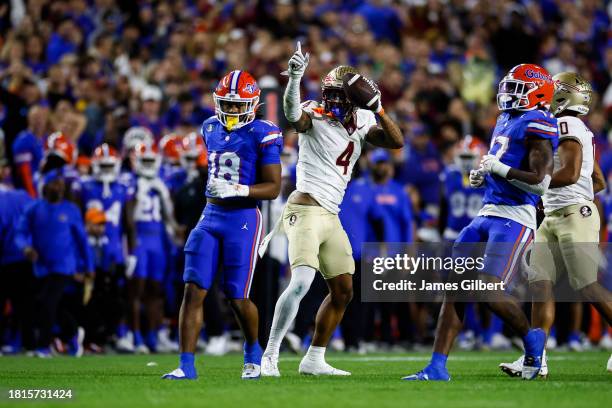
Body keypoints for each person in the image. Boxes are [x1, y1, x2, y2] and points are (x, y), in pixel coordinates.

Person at [404, 64, 557, 381]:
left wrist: (498, 169)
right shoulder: (505, 119)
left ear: (539, 91)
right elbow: (502, 164)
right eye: (509, 87)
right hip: (486, 212)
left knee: (487, 289)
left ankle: (532, 339)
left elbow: (540, 182)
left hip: (514, 216)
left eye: (518, 89)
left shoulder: (540, 121)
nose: (509, 94)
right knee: (455, 289)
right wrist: (485, 175)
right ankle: (437, 367)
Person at [260, 42, 403, 377]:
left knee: (343, 290)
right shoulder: (316, 114)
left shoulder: (365, 118)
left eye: (340, 96)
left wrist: (380, 108)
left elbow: (396, 142)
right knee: (300, 283)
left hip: (331, 215)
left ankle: (314, 358)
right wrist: (294, 79)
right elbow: (295, 115)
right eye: (330, 94)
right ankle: (270, 355)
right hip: (305, 211)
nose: (332, 101)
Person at [163, 70, 282, 380]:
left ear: (253, 104)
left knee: (237, 297)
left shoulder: (264, 133)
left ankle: (253, 350)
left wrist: (240, 189)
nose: (230, 110)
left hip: (243, 217)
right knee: (193, 288)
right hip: (211, 214)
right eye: (226, 104)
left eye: (236, 104)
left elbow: (273, 187)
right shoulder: (209, 127)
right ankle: (186, 365)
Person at [499, 72, 612, 376]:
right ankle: (536, 358)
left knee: (586, 285)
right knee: (540, 286)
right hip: (555, 214)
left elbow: (573, 173)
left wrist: (532, 184)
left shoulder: (566, 124)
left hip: (573, 215)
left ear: (562, 95)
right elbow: (597, 180)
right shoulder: (579, 127)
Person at [14, 169, 93, 357]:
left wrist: (89, 267)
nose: (59, 187)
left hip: (64, 265)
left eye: (61, 184)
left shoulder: (71, 210)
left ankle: (43, 346)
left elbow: (82, 240)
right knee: (50, 304)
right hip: (41, 265)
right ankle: (73, 333)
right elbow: (20, 233)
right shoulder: (34, 208)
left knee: (48, 302)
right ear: (46, 186)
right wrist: (25, 248)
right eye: (55, 183)